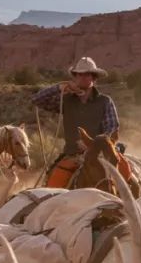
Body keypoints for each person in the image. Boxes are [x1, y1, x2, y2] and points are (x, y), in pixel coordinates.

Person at [32, 56, 121, 188]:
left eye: (87, 74)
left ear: (94, 77)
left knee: (126, 176)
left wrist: (93, 145)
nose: (83, 77)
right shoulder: (66, 100)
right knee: (52, 186)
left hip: (101, 157)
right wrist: (60, 88)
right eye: (79, 74)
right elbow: (37, 100)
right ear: (75, 77)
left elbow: (112, 128)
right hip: (72, 156)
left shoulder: (105, 101)